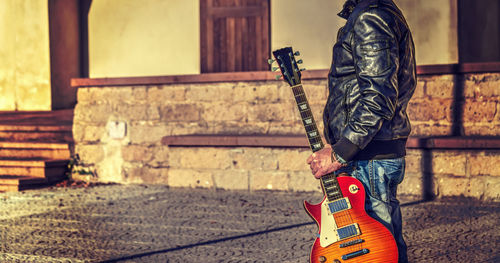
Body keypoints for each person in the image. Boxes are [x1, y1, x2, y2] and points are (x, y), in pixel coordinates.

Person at [306, 0, 416, 262]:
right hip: (368, 153)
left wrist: (340, 152)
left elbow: (378, 98)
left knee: (376, 252)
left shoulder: (371, 17)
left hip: (368, 157)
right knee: (384, 246)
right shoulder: (374, 13)